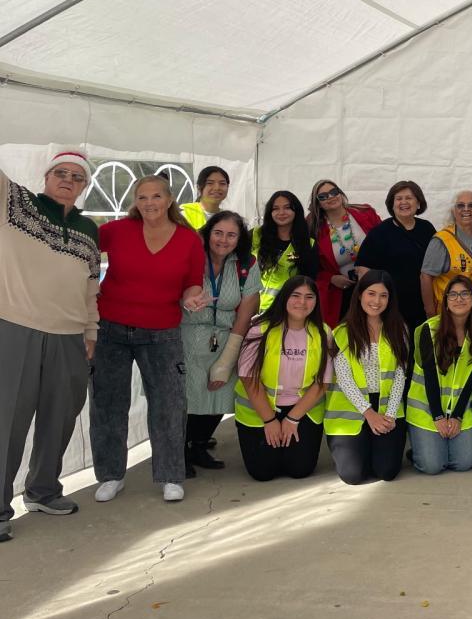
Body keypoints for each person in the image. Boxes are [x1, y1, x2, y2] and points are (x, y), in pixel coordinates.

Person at [0, 151, 99, 542]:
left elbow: (90, 287)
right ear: (46, 175)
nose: (68, 180)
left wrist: (91, 332)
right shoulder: (14, 202)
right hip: (15, 327)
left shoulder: (89, 229)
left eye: (77, 177)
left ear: (84, 186)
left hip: (70, 335)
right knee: (7, 421)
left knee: (60, 418)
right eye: (61, 173)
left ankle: (42, 492)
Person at [92, 175, 204, 504]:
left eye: (156, 196)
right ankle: (111, 475)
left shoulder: (189, 239)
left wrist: (192, 297)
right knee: (107, 404)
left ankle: (171, 476)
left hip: (162, 332)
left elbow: (193, 282)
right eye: (142, 197)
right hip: (110, 329)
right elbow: (79, 250)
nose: (149, 203)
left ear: (169, 200)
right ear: (135, 202)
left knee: (169, 405)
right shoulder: (116, 231)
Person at [183, 211, 262, 477]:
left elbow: (247, 310)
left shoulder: (246, 265)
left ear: (239, 239)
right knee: (185, 398)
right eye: (218, 233)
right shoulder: (189, 256)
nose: (223, 240)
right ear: (208, 233)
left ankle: (199, 445)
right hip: (186, 337)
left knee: (219, 395)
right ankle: (179, 450)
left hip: (227, 338)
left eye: (231, 235)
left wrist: (227, 359)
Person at [233, 276, 334, 481]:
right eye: (295, 296)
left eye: (309, 297)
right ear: (284, 298)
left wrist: (292, 418)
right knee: (263, 472)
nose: (302, 302)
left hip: (301, 410)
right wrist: (269, 420)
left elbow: (322, 382)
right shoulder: (260, 329)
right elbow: (248, 378)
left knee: (300, 470)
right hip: (260, 410)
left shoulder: (323, 332)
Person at [325, 269, 409, 484]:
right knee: (353, 475)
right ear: (360, 295)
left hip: (387, 405)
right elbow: (344, 379)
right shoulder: (342, 332)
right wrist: (369, 414)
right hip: (352, 407)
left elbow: (400, 375)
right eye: (371, 293)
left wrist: (390, 415)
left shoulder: (399, 329)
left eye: (383, 295)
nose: (376, 301)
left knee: (386, 471)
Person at [406, 277, 472, 474]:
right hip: (426, 408)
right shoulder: (429, 329)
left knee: (464, 463)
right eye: (453, 294)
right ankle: (420, 450)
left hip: (460, 408)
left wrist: (457, 416)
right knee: (432, 466)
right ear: (446, 300)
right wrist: (438, 416)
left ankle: (437, 447)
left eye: (465, 294)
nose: (459, 299)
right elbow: (430, 375)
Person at [355, 180, 436, 332]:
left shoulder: (427, 228)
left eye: (409, 198)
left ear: (419, 203)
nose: (403, 202)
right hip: (390, 305)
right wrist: (371, 304)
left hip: (422, 304)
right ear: (392, 205)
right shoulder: (379, 232)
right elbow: (363, 270)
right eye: (398, 198)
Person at [307, 179, 382, 328]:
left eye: (334, 192)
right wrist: (332, 278)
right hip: (342, 292)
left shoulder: (365, 212)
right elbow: (311, 267)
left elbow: (385, 244)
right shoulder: (313, 227)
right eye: (323, 196)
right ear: (318, 203)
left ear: (340, 193)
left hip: (374, 285)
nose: (330, 197)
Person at [420, 190, 472, 319]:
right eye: (460, 205)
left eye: (471, 205)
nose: (466, 209)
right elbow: (425, 276)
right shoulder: (442, 239)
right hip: (450, 313)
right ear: (453, 211)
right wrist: (430, 313)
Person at [253, 190, 319, 312]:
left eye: (287, 208)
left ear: (296, 211)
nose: (281, 212)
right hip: (251, 308)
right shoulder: (255, 235)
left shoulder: (308, 244)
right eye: (276, 208)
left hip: (285, 311)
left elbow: (309, 283)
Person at [179, 165, 229, 230]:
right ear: (199, 187)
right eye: (210, 183)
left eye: (222, 183)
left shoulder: (228, 218)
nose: (217, 188)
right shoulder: (185, 214)